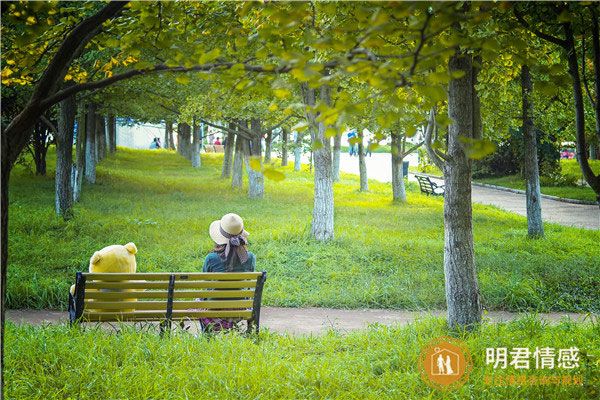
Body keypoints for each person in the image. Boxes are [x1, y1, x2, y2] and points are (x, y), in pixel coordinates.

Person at [199, 213, 256, 331]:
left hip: (213, 310)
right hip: (240, 310)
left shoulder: (211, 258)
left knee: (198, 301)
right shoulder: (249, 258)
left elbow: (205, 283)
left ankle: (207, 334)